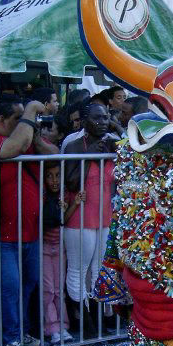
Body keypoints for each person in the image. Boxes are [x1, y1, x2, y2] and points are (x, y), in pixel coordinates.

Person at [0, 94, 56, 346]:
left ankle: (20, 331)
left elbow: (54, 155)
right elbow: (12, 149)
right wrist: (31, 107)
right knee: (8, 286)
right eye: (19, 119)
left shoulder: (23, 137)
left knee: (27, 284)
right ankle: (9, 339)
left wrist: (35, 134)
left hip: (27, 231)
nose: (25, 124)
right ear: (2, 119)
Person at [63, 103, 116, 330]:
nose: (103, 122)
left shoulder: (113, 143)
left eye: (106, 118)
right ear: (84, 121)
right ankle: (82, 322)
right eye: (97, 118)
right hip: (80, 218)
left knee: (100, 269)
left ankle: (99, 318)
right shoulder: (74, 145)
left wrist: (115, 133)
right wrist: (91, 152)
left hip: (105, 216)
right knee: (78, 269)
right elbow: (72, 182)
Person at [42, 162, 85, 344]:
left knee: (59, 289)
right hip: (43, 247)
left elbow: (64, 220)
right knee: (48, 289)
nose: (54, 180)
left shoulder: (64, 194)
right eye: (49, 176)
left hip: (60, 246)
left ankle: (63, 326)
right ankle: (51, 327)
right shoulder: (42, 196)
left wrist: (72, 204)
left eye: (58, 175)